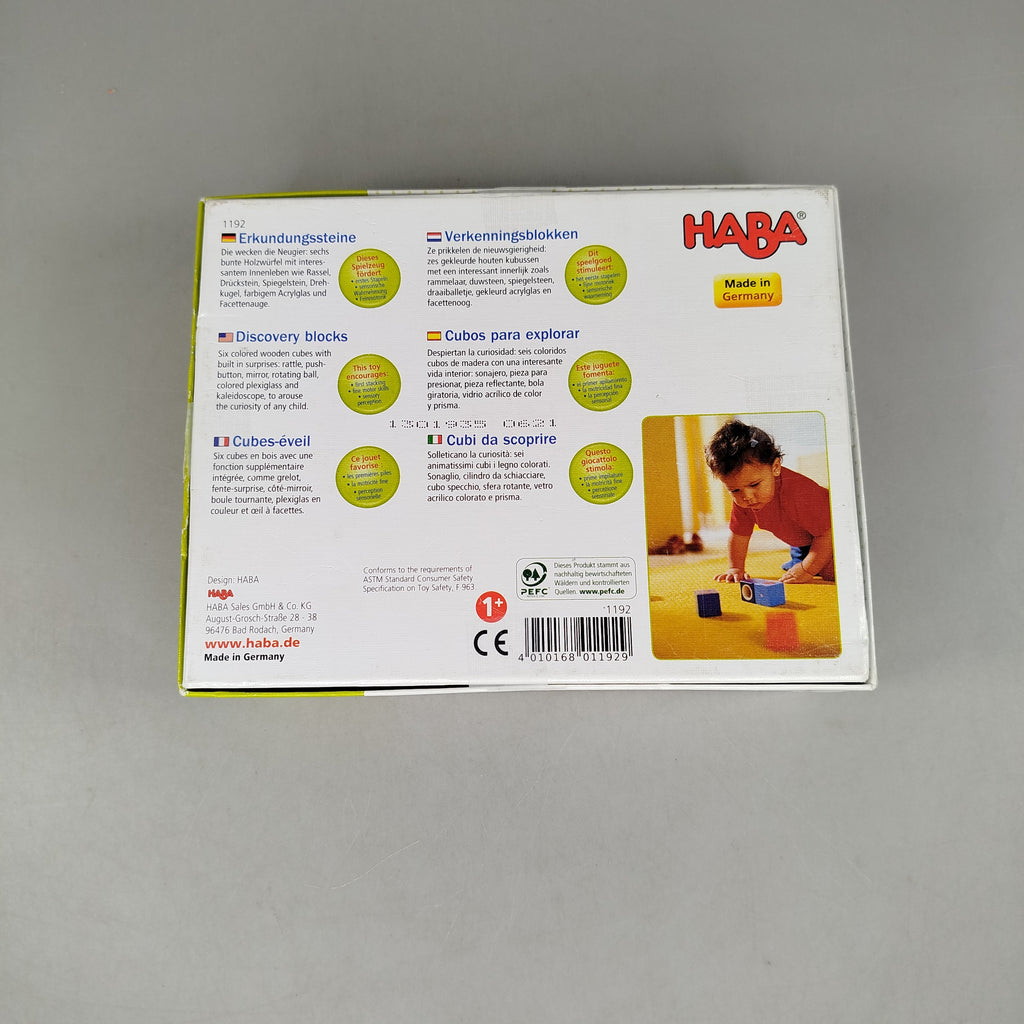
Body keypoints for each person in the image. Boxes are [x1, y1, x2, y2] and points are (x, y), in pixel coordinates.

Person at [704, 420, 834, 584]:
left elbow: (827, 533)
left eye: (754, 485)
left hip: (832, 533)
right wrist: (735, 568)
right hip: (801, 543)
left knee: (829, 573)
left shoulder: (800, 492)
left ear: (776, 467)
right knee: (802, 566)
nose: (746, 496)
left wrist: (807, 569)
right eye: (734, 490)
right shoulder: (743, 501)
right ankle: (799, 560)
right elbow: (739, 535)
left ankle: (804, 562)